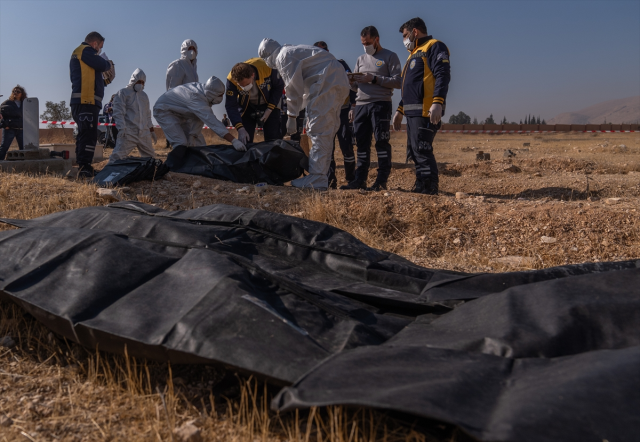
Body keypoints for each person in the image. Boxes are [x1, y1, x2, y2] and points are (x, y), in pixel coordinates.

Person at [259, 38, 350, 191]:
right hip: (336, 79)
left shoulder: (283, 57)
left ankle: (317, 178)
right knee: (326, 132)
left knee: (318, 131)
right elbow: (303, 92)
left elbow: (293, 88)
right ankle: (321, 175)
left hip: (326, 80)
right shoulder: (293, 51)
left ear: (268, 55)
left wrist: (292, 117)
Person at [393, 17, 450, 195]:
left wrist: (437, 102)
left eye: (405, 35)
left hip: (426, 110)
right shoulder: (413, 54)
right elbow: (410, 87)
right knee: (415, 151)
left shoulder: (434, 46)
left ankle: (429, 187)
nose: (404, 40)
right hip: (411, 113)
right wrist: (400, 111)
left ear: (414, 32)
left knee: (423, 149)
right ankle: (420, 184)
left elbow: (442, 74)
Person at [341, 26, 402, 191]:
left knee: (381, 142)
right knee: (361, 144)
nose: (365, 46)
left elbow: (397, 82)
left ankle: (381, 182)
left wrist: (374, 78)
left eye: (368, 43)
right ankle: (359, 180)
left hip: (380, 104)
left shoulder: (390, 56)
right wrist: (352, 83)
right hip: (361, 105)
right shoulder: (360, 59)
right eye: (362, 43)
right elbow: (356, 87)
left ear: (377, 39)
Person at [153, 76, 246, 152]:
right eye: (220, 95)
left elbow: (199, 118)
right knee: (180, 143)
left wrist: (193, 135)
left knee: (197, 144)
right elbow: (211, 120)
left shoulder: (205, 96)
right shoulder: (196, 97)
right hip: (164, 111)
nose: (221, 98)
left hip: (180, 113)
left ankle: (189, 166)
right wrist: (233, 140)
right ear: (211, 93)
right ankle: (175, 167)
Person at [313, 41, 357, 187]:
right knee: (328, 147)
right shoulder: (313, 70)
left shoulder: (340, 64)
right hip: (326, 113)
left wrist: (353, 105)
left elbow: (351, 83)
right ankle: (330, 180)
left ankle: (351, 178)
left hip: (343, 111)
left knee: (346, 145)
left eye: (324, 51)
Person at [70, 31, 113, 177]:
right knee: (88, 135)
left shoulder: (85, 56)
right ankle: (85, 168)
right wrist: (107, 64)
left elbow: (92, 77)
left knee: (84, 135)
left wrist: (105, 81)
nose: (100, 50)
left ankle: (83, 167)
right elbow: (102, 64)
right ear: (95, 44)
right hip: (85, 102)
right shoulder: (85, 51)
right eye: (100, 46)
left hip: (86, 102)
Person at [225, 58, 284, 144]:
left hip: (269, 103)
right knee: (245, 139)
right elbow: (231, 105)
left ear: (253, 75)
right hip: (247, 106)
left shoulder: (267, 67)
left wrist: (270, 109)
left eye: (247, 84)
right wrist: (239, 127)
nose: (245, 88)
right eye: (241, 86)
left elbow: (278, 86)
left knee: (273, 139)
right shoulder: (231, 79)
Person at [108, 69, 158, 163]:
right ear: (133, 80)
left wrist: (151, 130)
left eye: (143, 82)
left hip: (144, 133)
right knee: (117, 156)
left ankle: (151, 175)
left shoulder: (144, 96)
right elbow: (118, 112)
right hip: (129, 132)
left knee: (150, 158)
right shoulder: (123, 93)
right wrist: (122, 128)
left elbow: (147, 114)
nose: (141, 84)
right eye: (139, 81)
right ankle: (108, 175)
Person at [165, 39, 199, 148]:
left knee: (196, 144)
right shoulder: (177, 65)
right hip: (179, 111)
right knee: (182, 144)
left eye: (194, 48)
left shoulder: (193, 69)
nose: (192, 51)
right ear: (184, 50)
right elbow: (173, 91)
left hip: (190, 111)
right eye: (189, 48)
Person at [0, 85, 26, 161]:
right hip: (9, 129)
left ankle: (24, 165)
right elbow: (2, 117)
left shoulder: (26, 104)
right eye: (14, 91)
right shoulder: (6, 103)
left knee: (23, 148)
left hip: (21, 129)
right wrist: (5, 125)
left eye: (18, 91)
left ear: (22, 93)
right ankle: (0, 164)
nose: (16, 93)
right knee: (4, 147)